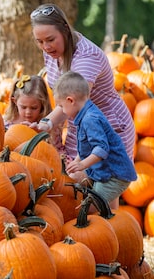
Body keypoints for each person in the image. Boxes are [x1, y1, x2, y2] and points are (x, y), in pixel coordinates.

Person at [30, 3, 136, 163]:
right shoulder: (53, 51)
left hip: (108, 131)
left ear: (65, 28)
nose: (46, 47)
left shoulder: (87, 58)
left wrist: (46, 123)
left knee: (96, 186)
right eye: (40, 41)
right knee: (73, 185)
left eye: (50, 39)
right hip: (78, 131)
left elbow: (73, 102)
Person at [54, 71, 137, 209]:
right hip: (103, 171)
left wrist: (82, 165)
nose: (62, 111)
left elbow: (101, 149)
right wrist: (77, 161)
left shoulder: (89, 119)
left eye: (61, 106)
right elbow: (89, 146)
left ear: (70, 100)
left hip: (114, 176)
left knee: (90, 209)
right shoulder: (85, 113)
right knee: (78, 185)